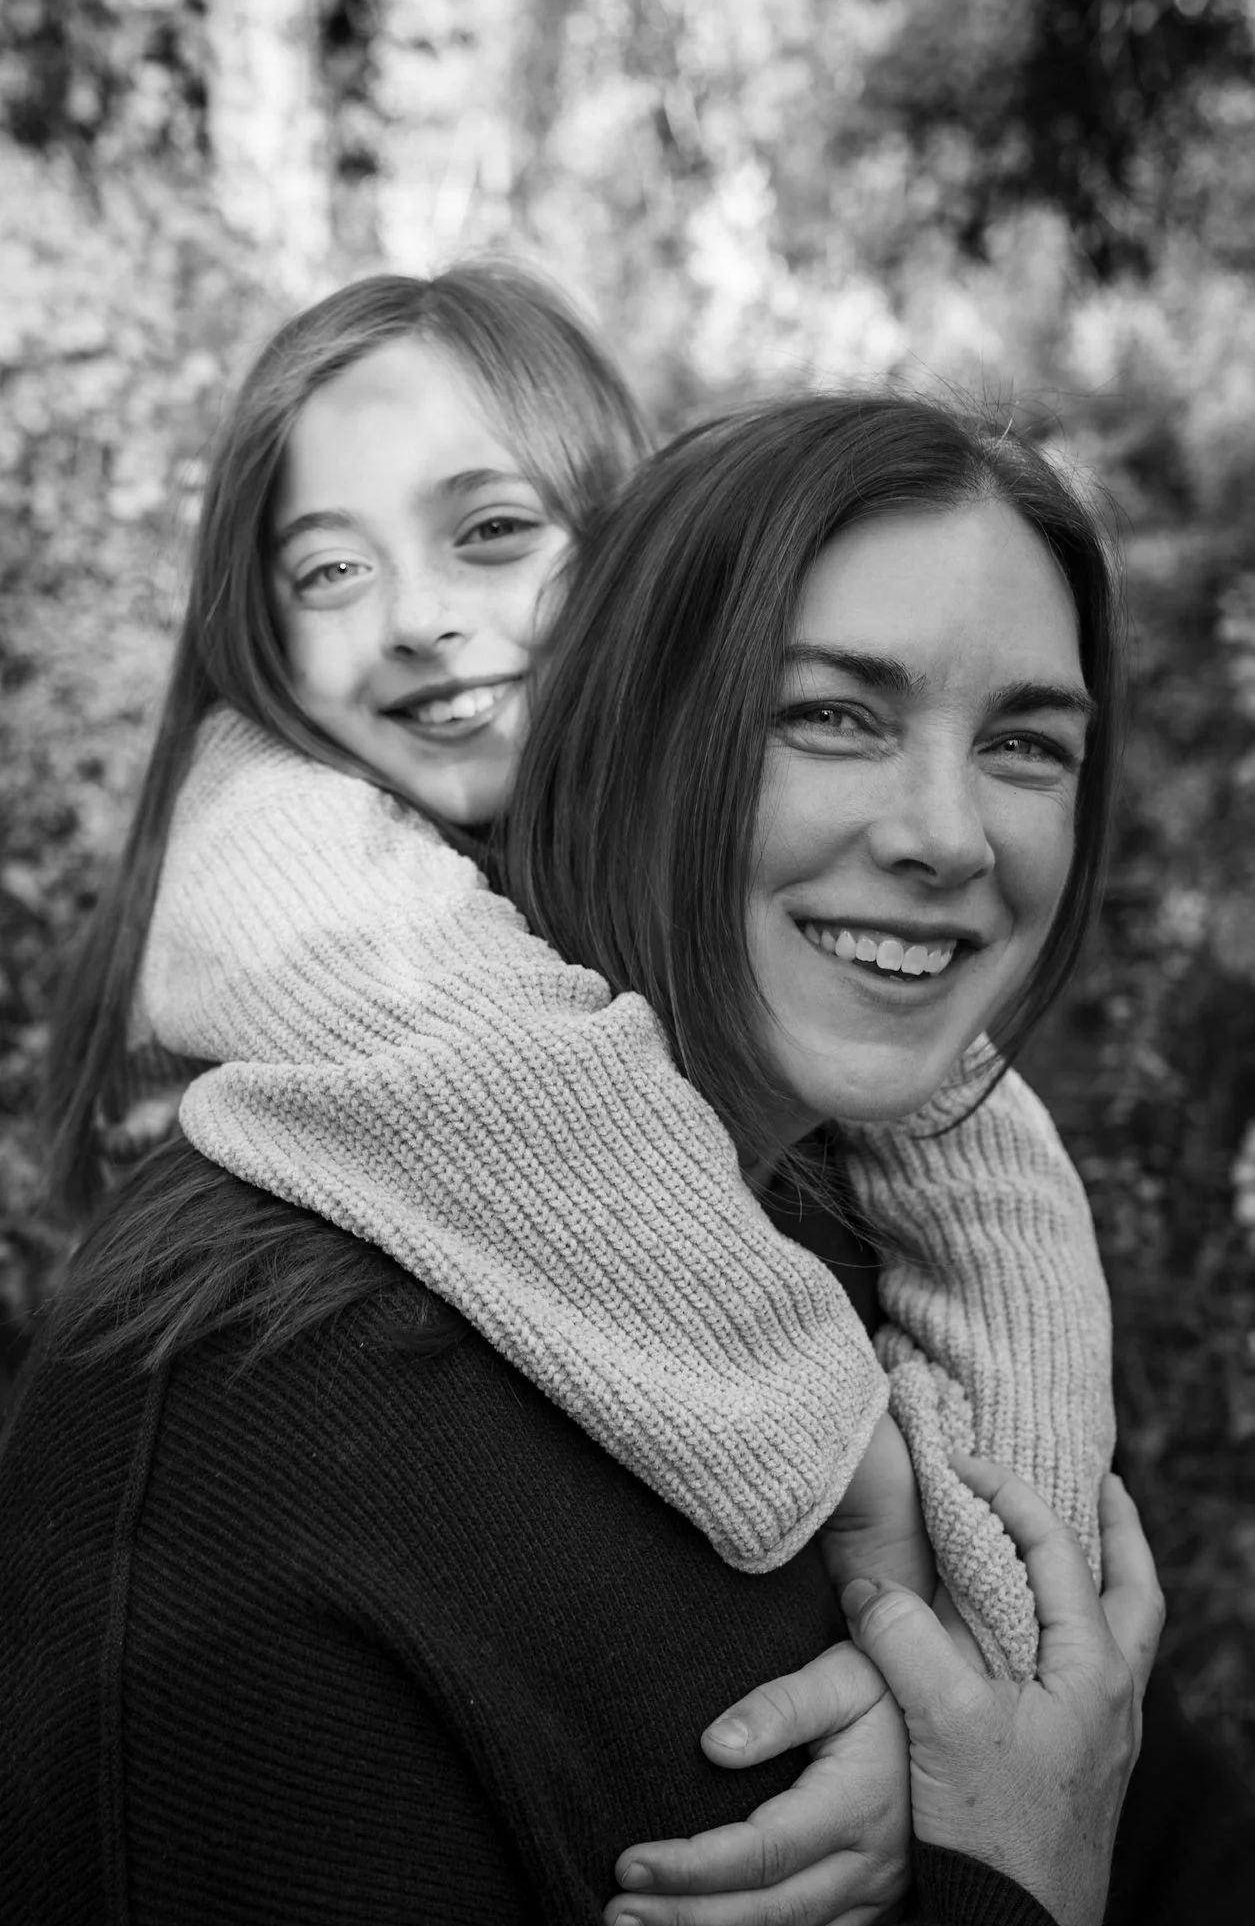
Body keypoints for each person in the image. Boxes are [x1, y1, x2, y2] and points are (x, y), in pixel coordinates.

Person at [1, 391, 1187, 1923]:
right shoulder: (261, 1408)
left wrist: (971, 1767)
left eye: (1025, 742)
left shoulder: (918, 1289)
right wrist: (1017, 1880)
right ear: (624, 726)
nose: (948, 835)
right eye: (830, 713)